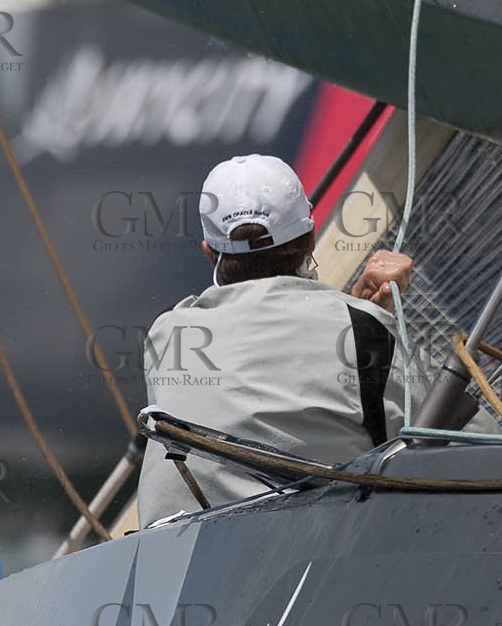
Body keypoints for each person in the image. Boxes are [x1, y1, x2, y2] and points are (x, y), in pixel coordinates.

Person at [136, 153, 412, 526]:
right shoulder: (363, 330)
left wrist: (362, 318)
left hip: (184, 563)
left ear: (209, 252)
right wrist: (373, 321)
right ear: (312, 238)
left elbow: (266, 351)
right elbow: (455, 440)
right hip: (318, 562)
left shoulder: (168, 334)